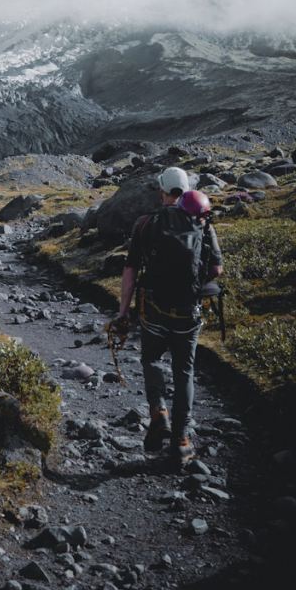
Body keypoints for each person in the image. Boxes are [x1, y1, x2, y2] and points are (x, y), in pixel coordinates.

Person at [115, 167, 223, 465]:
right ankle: (182, 442)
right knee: (184, 371)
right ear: (186, 190)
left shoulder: (145, 223)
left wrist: (123, 312)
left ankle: (158, 412)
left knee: (151, 359)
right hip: (188, 312)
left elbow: (130, 271)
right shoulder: (202, 221)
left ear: (162, 192)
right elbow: (215, 270)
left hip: (154, 309)